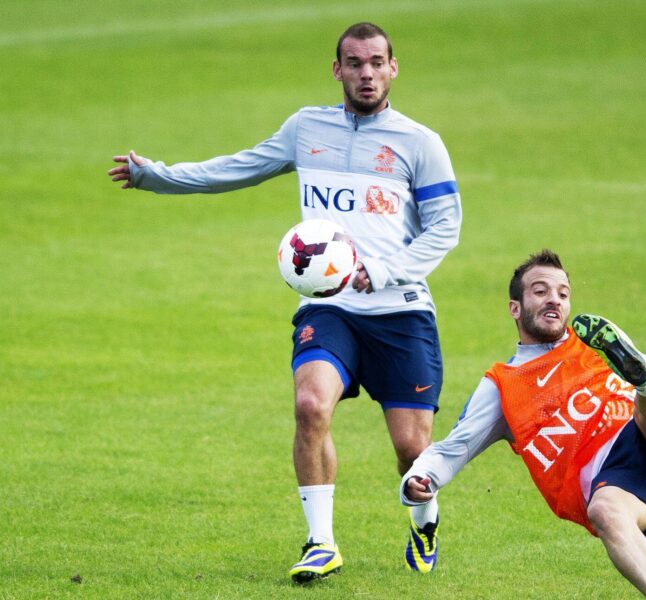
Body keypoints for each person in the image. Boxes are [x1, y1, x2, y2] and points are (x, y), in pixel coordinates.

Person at [108, 22, 461, 583]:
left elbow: (445, 228)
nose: (365, 73)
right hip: (329, 306)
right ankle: (321, 542)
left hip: (401, 310)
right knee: (310, 406)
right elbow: (239, 167)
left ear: (393, 68)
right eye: (354, 62)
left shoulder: (420, 143)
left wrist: (384, 269)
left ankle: (424, 521)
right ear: (336, 69)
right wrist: (159, 177)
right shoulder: (307, 128)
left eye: (375, 62)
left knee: (412, 449)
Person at [401, 249, 646, 599]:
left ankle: (641, 379)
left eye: (563, 293)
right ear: (514, 308)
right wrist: (422, 480)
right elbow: (458, 446)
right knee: (604, 510)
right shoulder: (503, 385)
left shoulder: (591, 342)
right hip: (626, 491)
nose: (555, 299)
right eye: (541, 291)